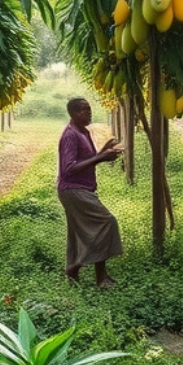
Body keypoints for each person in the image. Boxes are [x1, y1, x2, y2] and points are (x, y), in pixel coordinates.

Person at [56, 97, 124, 288]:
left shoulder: (83, 132)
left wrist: (104, 152)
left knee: (78, 232)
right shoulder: (70, 135)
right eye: (84, 111)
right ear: (74, 114)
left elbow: (86, 159)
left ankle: (82, 273)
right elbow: (68, 168)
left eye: (89, 110)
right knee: (106, 222)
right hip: (73, 190)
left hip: (81, 189)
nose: (89, 114)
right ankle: (91, 273)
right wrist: (100, 158)